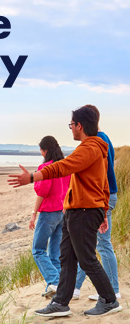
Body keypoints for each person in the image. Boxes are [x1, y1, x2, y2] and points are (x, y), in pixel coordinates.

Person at [8, 105, 121, 317]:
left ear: (80, 125)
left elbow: (61, 167)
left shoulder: (90, 148)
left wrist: (32, 177)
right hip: (77, 210)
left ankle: (109, 300)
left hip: (85, 210)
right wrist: (104, 210)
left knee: (86, 258)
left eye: (72, 125)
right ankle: (61, 302)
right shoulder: (95, 148)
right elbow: (104, 182)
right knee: (67, 258)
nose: (71, 129)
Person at [73, 105, 121, 301]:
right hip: (105, 194)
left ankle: (114, 290)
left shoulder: (97, 140)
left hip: (104, 196)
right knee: (88, 244)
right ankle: (75, 288)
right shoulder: (105, 137)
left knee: (102, 244)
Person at [29, 136, 70, 298]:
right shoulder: (64, 166)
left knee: (38, 250)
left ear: (45, 150)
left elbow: (42, 191)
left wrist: (35, 178)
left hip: (49, 214)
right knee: (54, 254)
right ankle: (59, 287)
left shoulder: (46, 167)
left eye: (41, 150)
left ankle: (54, 281)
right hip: (62, 213)